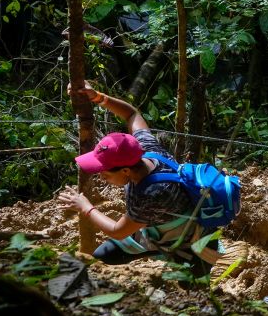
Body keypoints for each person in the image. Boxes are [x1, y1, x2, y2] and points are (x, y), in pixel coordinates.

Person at [57, 86, 220, 277]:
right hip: (156, 232)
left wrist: (86, 207)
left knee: (192, 292)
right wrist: (99, 97)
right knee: (103, 256)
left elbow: (118, 231)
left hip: (195, 243)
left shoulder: (153, 194)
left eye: (106, 173)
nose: (101, 177)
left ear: (125, 170)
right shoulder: (145, 150)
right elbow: (131, 114)